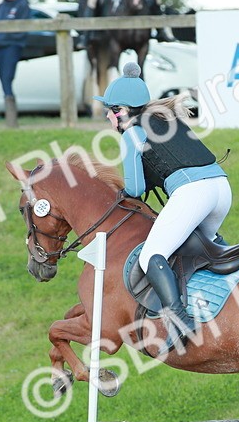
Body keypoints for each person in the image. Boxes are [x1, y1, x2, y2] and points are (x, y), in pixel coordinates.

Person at [97, 62, 231, 349]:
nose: (107, 116)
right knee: (202, 244)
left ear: (121, 111)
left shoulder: (132, 131)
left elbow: (135, 189)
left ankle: (180, 318)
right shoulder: (165, 116)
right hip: (221, 187)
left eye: (109, 110)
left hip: (194, 193)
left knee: (151, 255)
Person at [0, 0, 30, 128]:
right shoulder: (1, 6)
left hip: (12, 46)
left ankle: (11, 117)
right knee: (3, 79)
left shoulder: (22, 4)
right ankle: (10, 115)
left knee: (7, 77)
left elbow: (21, 30)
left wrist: (2, 37)